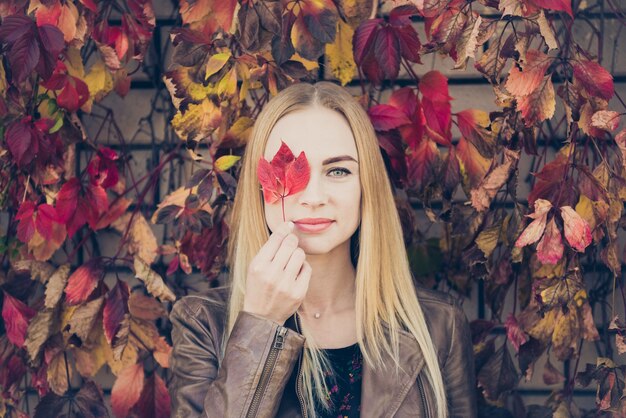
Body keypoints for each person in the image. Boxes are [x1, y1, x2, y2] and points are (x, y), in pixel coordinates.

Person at [169, 81, 477, 418]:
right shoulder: (202, 324)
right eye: (287, 171)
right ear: (259, 188)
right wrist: (260, 325)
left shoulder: (438, 326)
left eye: (338, 171)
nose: (313, 197)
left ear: (367, 187)